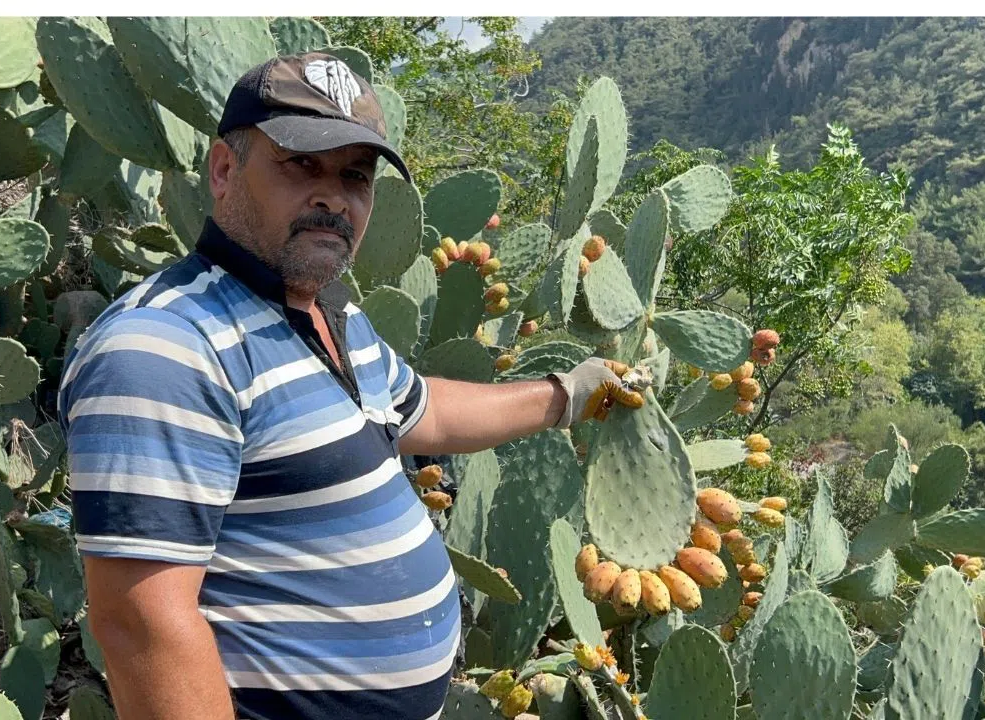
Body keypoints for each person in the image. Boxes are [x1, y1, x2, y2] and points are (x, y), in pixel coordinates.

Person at [57, 52, 636, 720]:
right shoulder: (165, 348)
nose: (334, 197)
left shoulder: (327, 311)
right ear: (223, 169)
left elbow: (425, 411)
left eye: (355, 176)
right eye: (302, 165)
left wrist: (565, 394)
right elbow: (141, 626)